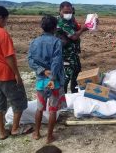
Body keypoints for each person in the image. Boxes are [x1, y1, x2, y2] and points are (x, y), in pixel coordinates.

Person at [28, 15, 67, 144]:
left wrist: (42, 71)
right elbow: (56, 62)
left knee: (40, 108)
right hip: (53, 81)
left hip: (41, 81)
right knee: (52, 109)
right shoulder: (56, 42)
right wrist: (51, 76)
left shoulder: (34, 42)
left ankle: (36, 133)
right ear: (55, 28)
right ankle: (49, 137)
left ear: (42, 27)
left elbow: (30, 60)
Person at [0, 6, 29, 140]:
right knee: (19, 100)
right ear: (0, 18)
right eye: (6, 19)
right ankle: (15, 128)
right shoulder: (2, 33)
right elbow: (9, 56)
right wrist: (17, 74)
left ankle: (2, 131)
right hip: (5, 73)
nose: (6, 22)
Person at [56, 1, 88, 93]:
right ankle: (64, 97)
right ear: (60, 11)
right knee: (66, 77)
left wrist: (90, 24)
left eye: (70, 12)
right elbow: (74, 36)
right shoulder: (61, 22)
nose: (68, 14)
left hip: (73, 53)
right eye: (65, 12)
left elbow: (77, 28)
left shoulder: (71, 19)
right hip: (65, 55)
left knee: (77, 74)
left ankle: (75, 94)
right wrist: (83, 29)